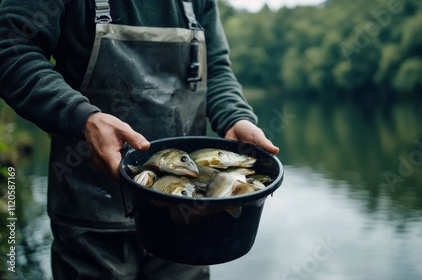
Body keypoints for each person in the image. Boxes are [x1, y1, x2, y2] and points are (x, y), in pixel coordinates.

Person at [0, 0, 279, 279]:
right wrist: (83, 117)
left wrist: (235, 117)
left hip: (189, 221)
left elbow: (215, 68)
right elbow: (10, 50)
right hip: (91, 219)